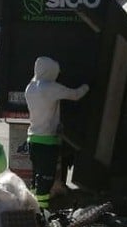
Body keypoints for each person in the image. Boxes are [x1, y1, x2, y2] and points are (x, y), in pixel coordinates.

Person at [24, 56, 89, 209]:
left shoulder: (30, 87)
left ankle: (33, 206)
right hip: (47, 141)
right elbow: (75, 95)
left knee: (37, 175)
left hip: (32, 138)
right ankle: (43, 210)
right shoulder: (51, 87)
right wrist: (87, 85)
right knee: (47, 177)